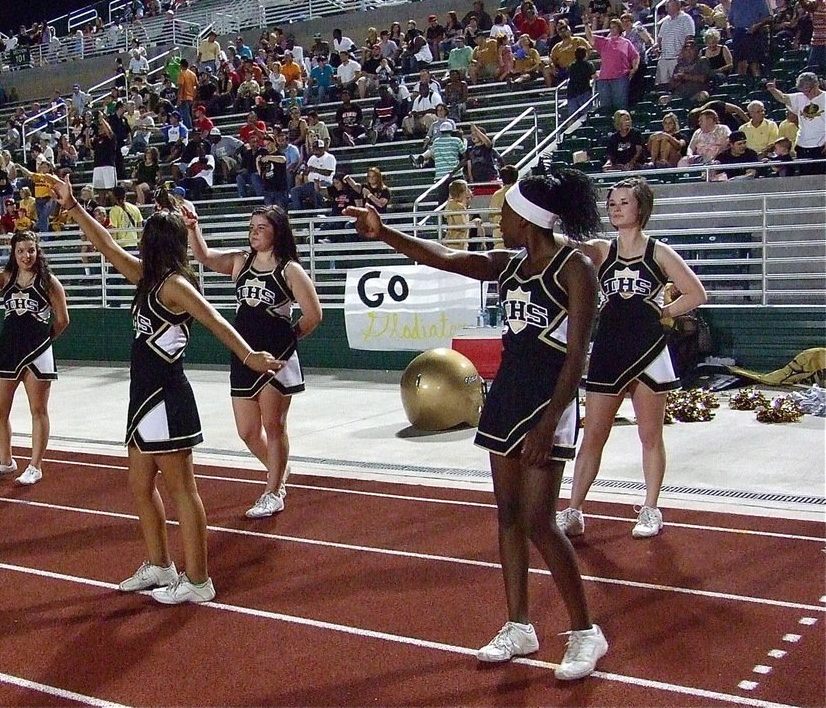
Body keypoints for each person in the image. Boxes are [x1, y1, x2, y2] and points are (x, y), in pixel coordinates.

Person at [349, 168, 608, 681]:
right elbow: (444, 258)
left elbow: (577, 358)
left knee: (540, 521)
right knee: (508, 518)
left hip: (546, 405)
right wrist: (384, 233)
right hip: (507, 399)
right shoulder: (510, 266)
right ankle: (519, 625)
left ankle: (584, 632)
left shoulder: (573, 268)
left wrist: (551, 418)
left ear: (529, 218)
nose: (498, 220)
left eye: (505, 212)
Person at [45, 175, 281, 604]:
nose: (137, 246)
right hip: (143, 398)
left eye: (145, 240)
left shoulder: (174, 285)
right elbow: (107, 247)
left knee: (182, 490)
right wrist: (74, 206)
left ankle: (198, 579)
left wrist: (251, 357)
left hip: (167, 399)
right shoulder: (146, 279)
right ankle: (159, 565)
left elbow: (216, 321)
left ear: (159, 245)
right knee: (139, 485)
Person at [557, 178, 707, 539]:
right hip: (609, 348)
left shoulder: (659, 252)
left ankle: (651, 509)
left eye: (624, 202)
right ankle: (574, 509)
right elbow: (560, 245)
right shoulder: (600, 250)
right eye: (611, 203)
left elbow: (696, 293)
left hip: (649, 351)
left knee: (650, 435)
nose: (616, 207)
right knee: (593, 435)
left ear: (641, 209)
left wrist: (664, 310)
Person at [186, 205, 322, 518]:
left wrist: (287, 340)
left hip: (276, 356)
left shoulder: (290, 270)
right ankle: (279, 472)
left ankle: (273, 491)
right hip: (243, 353)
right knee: (247, 430)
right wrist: (194, 229)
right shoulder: (240, 261)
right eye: (252, 227)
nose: (254, 232)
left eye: (261, 227)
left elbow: (314, 314)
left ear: (278, 230)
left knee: (274, 426)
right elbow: (204, 257)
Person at [0, 231, 70, 487]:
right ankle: (6, 461)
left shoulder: (49, 282)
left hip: (37, 351)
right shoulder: (6, 277)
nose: (27, 256)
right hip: (7, 349)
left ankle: (35, 465)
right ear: (13, 253)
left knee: (38, 410)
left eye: (31, 250)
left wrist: (44, 340)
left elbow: (62, 320)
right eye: (21, 251)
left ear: (38, 251)